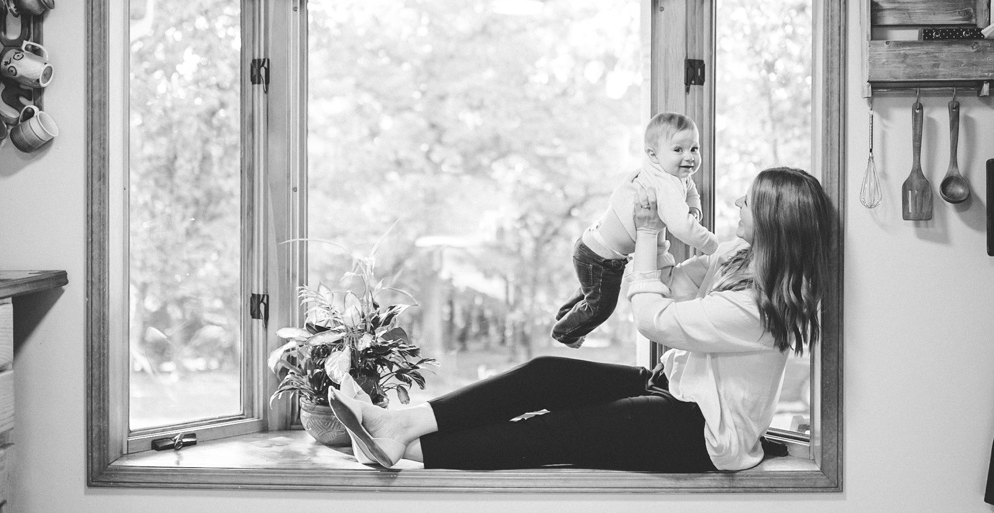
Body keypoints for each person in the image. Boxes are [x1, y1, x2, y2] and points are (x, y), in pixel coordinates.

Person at [331, 166, 833, 473]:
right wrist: (649, 233)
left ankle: (406, 446)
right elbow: (672, 282)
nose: (738, 202)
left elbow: (655, 318)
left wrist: (644, 239)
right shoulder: (735, 257)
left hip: (702, 432)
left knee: (555, 431)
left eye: (749, 200)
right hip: (675, 391)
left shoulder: (759, 311)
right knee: (546, 376)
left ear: (773, 223)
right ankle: (397, 424)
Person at [550, 112, 720, 348]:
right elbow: (682, 228)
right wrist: (713, 246)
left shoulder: (673, 175)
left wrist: (694, 209)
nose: (690, 157)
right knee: (601, 306)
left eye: (694, 148)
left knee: (590, 292)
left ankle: (566, 315)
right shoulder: (663, 184)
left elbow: (691, 191)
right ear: (653, 154)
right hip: (600, 256)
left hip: (592, 246)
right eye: (678, 150)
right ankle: (565, 333)